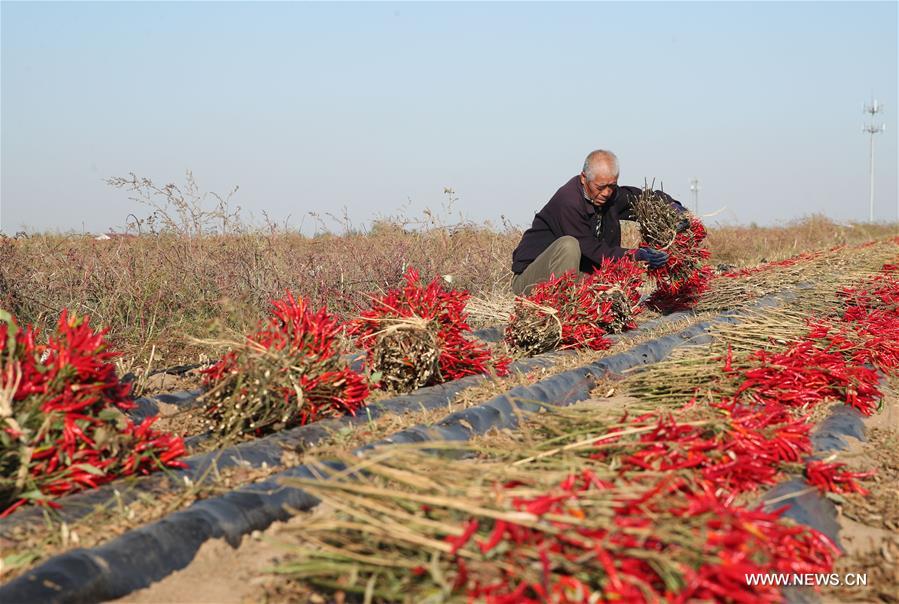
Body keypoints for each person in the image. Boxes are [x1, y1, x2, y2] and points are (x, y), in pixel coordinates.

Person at [511, 149, 687, 295]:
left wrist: (671, 206)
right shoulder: (568, 202)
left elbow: (639, 199)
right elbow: (591, 249)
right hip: (532, 279)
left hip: (574, 274)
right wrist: (636, 255)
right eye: (600, 187)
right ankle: (561, 304)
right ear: (583, 178)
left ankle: (574, 296)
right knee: (569, 245)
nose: (606, 193)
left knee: (615, 289)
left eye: (612, 186)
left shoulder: (608, 195)